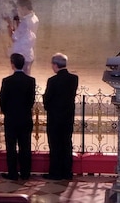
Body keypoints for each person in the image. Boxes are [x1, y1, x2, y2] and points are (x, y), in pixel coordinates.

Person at [0, 53, 36, 181]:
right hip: (25, 117)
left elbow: (2, 100)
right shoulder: (30, 81)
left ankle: (13, 173)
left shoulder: (7, 81)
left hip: (11, 118)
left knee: (11, 146)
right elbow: (31, 100)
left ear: (12, 64)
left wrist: (7, 112)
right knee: (25, 146)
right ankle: (25, 173)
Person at [43, 53, 79, 181]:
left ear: (55, 65)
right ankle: (67, 172)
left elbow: (47, 99)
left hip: (54, 117)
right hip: (68, 117)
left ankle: (55, 172)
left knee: (55, 145)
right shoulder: (74, 78)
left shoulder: (52, 81)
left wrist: (48, 107)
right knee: (67, 143)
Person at [6, 0, 38, 75]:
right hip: (29, 52)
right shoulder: (35, 18)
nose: (19, 11)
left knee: (20, 77)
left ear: (24, 8)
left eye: (19, 8)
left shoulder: (25, 22)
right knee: (27, 75)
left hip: (21, 53)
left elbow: (14, 37)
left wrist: (9, 24)